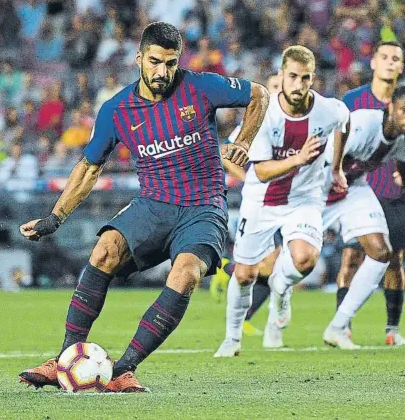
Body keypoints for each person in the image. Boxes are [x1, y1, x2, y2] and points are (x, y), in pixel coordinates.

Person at [18, 22, 270, 392]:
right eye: (154, 62)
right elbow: (89, 167)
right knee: (104, 250)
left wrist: (244, 142)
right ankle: (65, 360)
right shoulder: (117, 109)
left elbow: (260, 94)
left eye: (170, 63)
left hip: (203, 208)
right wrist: (55, 218)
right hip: (153, 205)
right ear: (139, 58)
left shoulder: (201, 86)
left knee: (185, 274)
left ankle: (123, 369)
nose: (162, 71)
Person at [214, 45, 349, 357]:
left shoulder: (328, 109)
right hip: (261, 200)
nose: (298, 85)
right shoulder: (264, 115)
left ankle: (281, 287)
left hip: (304, 199)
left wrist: (338, 167)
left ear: (312, 79)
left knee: (304, 258)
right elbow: (260, 172)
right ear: (281, 76)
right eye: (292, 77)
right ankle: (232, 339)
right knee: (245, 273)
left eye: (305, 78)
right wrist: (300, 157)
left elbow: (344, 122)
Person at [324, 41, 405, 348]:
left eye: (395, 59)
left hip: (389, 191)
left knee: (392, 257)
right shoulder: (354, 101)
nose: (389, 63)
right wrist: (334, 170)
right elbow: (336, 137)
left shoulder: (402, 104)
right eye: (384, 57)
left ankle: (391, 329)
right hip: (349, 186)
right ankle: (343, 327)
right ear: (373, 63)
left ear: (400, 66)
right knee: (351, 256)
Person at [210, 72, 281, 337]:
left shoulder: (295, 121)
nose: (276, 91)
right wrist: (250, 177)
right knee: (270, 266)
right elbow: (226, 154)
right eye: (272, 87)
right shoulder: (258, 120)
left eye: (279, 86)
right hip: (261, 201)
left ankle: (245, 312)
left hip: (288, 201)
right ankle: (227, 270)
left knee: (277, 267)